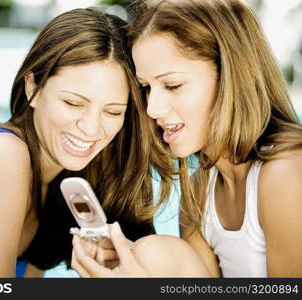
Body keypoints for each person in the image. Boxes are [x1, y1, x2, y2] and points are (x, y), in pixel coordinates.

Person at [0, 8, 176, 277]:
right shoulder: (0, 156)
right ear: (32, 87)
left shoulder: (62, 187)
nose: (90, 128)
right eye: (73, 103)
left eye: (112, 111)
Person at [71, 0, 302, 277]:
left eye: (172, 85)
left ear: (230, 75)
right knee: (152, 255)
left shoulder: (286, 171)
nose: (152, 108)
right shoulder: (200, 190)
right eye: (146, 88)